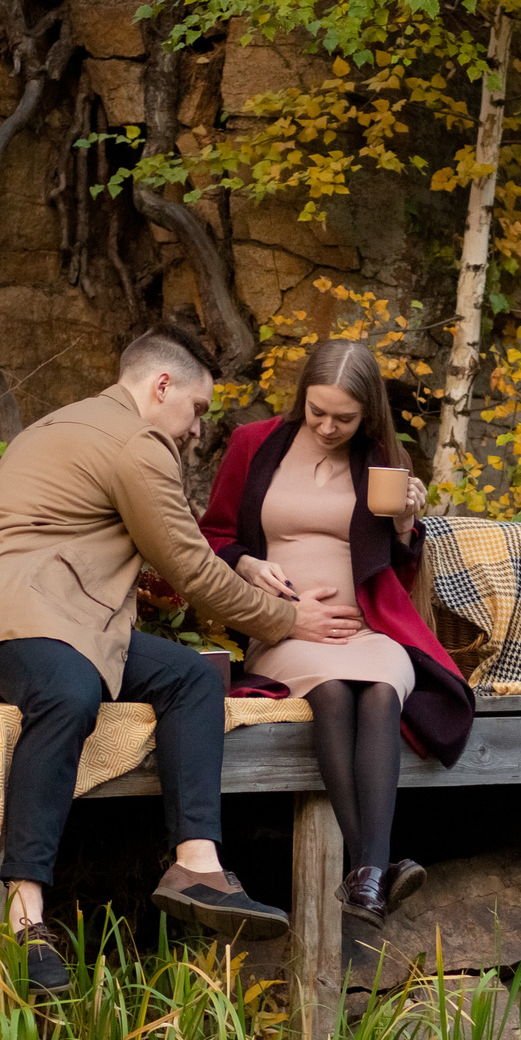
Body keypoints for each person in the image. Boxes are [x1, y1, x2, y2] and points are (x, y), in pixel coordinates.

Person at [0, 327, 365, 995]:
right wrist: (288, 618)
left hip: (63, 615)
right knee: (69, 689)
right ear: (161, 388)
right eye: (198, 411)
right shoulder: (138, 440)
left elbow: (116, 548)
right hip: (3, 618)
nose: (196, 432)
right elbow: (189, 562)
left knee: (188, 678)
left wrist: (182, 582)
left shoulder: (68, 421)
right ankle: (24, 918)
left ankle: (197, 863)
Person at [201, 340, 476, 923]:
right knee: (329, 692)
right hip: (286, 631)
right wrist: (247, 563)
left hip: (368, 630)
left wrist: (404, 526)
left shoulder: (380, 460)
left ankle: (364, 877)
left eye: (343, 418)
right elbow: (212, 535)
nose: (326, 426)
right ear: (302, 396)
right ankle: (375, 867)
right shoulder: (255, 445)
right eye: (316, 410)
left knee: (379, 690)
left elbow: (399, 571)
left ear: (367, 412)